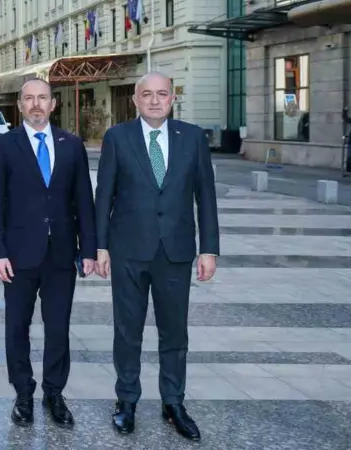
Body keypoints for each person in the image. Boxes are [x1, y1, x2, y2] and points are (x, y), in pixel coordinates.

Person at [93, 71, 220, 441]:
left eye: (161, 94)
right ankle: (127, 400)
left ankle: (173, 403)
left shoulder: (193, 138)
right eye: (146, 94)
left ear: (172, 99)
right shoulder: (118, 138)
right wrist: (100, 246)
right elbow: (105, 196)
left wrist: (209, 248)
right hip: (129, 250)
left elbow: (206, 198)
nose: (154, 100)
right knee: (127, 330)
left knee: (174, 332)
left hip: (176, 252)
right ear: (134, 99)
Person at [0, 78, 96, 429]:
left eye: (42, 98)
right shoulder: (4, 146)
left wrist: (88, 249)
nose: (36, 104)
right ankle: (23, 393)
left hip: (61, 253)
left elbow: (83, 202)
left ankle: (54, 393)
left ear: (53, 104)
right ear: (19, 106)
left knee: (58, 327)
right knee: (17, 327)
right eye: (29, 99)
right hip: (17, 256)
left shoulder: (72, 145)